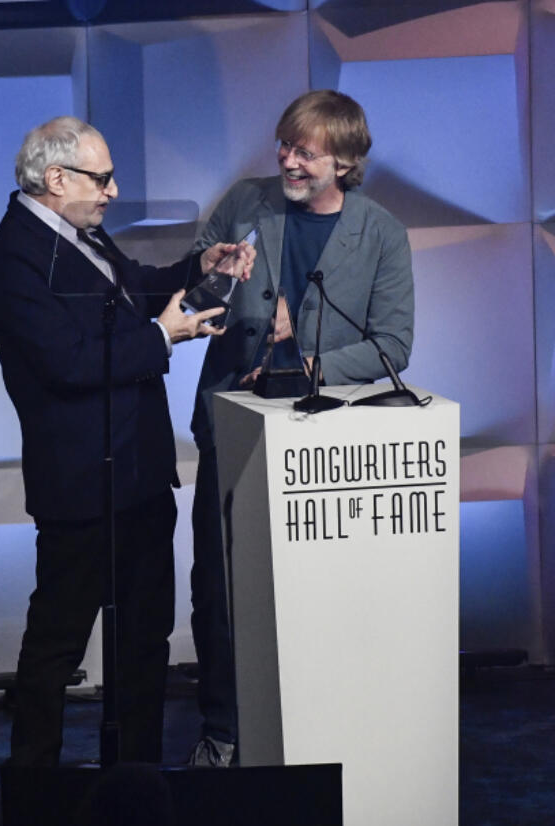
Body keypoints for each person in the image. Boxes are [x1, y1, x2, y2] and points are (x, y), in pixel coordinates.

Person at [0, 116, 253, 766]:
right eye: (101, 178)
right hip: (80, 486)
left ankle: (134, 781)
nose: (112, 190)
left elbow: (131, 290)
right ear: (55, 178)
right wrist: (163, 339)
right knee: (57, 644)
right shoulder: (14, 255)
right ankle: (36, 791)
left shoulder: (83, 233)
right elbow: (68, 363)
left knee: (143, 638)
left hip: (139, 474)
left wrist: (198, 266)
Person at [186, 90, 415, 767]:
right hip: (234, 427)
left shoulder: (381, 233)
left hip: (324, 446)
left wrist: (312, 360)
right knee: (219, 591)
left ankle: (325, 729)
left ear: (344, 160)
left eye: (305, 151)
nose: (287, 159)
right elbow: (194, 294)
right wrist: (218, 278)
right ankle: (223, 730)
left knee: (315, 598)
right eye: (284, 144)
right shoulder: (244, 202)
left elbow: (393, 346)